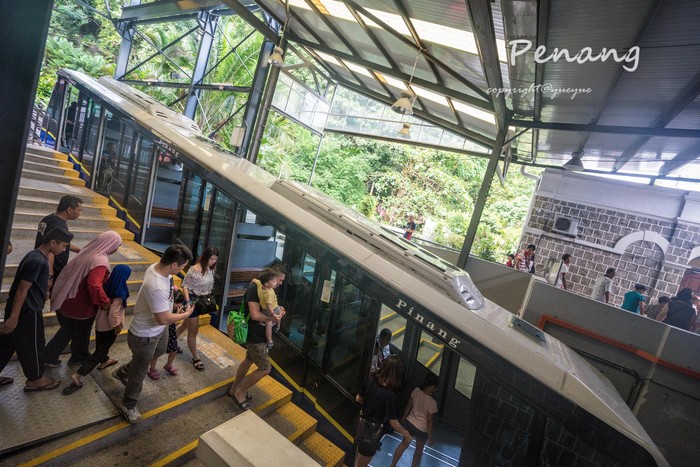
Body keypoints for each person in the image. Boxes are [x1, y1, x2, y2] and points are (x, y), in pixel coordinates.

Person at [113, 245, 194, 423]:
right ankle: (128, 405)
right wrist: (186, 315)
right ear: (173, 264)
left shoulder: (158, 269)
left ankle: (124, 371)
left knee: (159, 351)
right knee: (140, 372)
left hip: (158, 330)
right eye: (182, 267)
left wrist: (174, 302)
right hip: (145, 334)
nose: (182, 271)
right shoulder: (157, 285)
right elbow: (163, 318)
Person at [0, 227, 73, 390]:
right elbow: (22, 289)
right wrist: (14, 317)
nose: (64, 250)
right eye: (63, 246)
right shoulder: (37, 260)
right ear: (52, 243)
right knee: (33, 346)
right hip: (27, 311)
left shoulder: (35, 256)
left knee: (6, 344)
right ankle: (35, 379)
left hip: (23, 309)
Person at [45, 231, 123, 367]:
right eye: (117, 245)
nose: (117, 248)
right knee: (73, 331)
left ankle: (77, 357)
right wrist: (104, 302)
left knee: (73, 331)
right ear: (110, 244)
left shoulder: (88, 252)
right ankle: (49, 357)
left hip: (67, 298)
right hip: (80, 305)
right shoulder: (100, 261)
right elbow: (94, 285)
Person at [62, 264, 131, 395]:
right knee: (99, 352)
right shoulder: (119, 293)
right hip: (109, 327)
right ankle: (78, 375)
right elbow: (113, 314)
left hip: (100, 325)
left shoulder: (108, 285)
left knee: (101, 346)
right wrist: (117, 327)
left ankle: (104, 361)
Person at [228, 267, 286, 410]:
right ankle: (240, 392)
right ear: (272, 277)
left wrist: (278, 310)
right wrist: (273, 318)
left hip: (259, 333)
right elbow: (255, 315)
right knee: (265, 368)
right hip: (254, 335)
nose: (280, 283)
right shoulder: (254, 290)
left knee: (249, 359)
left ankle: (234, 388)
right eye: (279, 280)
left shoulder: (264, 287)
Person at [354, 355, 412, 467]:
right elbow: (393, 422)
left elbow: (358, 398)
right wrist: (406, 434)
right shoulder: (390, 396)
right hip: (371, 433)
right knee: (361, 464)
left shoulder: (371, 382)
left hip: (361, 426)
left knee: (359, 459)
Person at [177, 246, 219, 371]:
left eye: (215, 259)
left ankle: (170, 341)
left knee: (185, 324)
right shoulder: (194, 269)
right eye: (211, 259)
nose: (213, 261)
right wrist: (188, 303)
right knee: (193, 331)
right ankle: (196, 358)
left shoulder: (211, 269)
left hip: (203, 301)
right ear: (205, 257)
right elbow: (185, 286)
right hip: (193, 300)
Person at [390, 372, 440, 467]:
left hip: (410, 422)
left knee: (403, 444)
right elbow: (429, 421)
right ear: (433, 386)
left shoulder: (416, 391)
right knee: (418, 451)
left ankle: (392, 464)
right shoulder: (433, 403)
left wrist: (404, 417)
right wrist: (430, 437)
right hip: (422, 429)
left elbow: (409, 405)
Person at [35, 195, 83, 285]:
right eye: (79, 210)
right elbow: (50, 250)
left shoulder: (48, 219)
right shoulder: (58, 226)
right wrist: (49, 275)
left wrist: (78, 250)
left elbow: (59, 242)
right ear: (69, 210)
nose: (79, 213)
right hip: (48, 269)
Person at [148, 289, 186, 379]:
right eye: (177, 303)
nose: (179, 305)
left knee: (174, 349)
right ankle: (152, 369)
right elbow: (167, 321)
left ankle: (168, 365)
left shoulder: (176, 308)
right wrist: (177, 314)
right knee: (157, 351)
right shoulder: (166, 308)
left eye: (180, 303)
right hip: (162, 331)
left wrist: (179, 313)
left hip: (171, 332)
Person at [251, 270, 282, 350]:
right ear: (267, 284)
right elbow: (269, 306)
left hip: (266, 310)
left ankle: (270, 339)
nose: (276, 282)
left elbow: (254, 280)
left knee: (269, 323)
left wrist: (251, 284)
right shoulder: (269, 293)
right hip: (273, 309)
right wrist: (273, 315)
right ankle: (276, 330)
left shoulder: (259, 285)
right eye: (274, 281)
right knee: (276, 317)